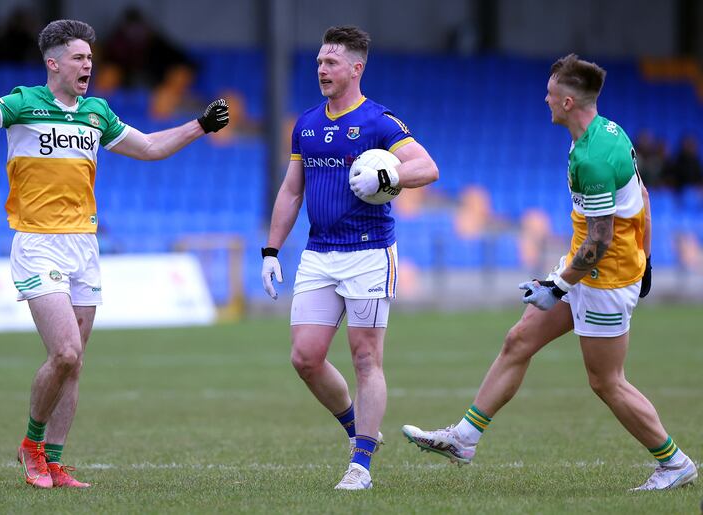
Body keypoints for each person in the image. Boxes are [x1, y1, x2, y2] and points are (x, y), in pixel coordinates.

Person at [0, 19, 229, 489]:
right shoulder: (21, 103)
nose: (88, 65)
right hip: (38, 243)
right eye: (79, 58)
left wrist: (200, 125)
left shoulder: (96, 112)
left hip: (84, 246)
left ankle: (54, 461)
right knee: (65, 352)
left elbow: (152, 147)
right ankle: (32, 446)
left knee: (75, 365)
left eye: (91, 59)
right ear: (52, 63)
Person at [401, 54, 696, 491]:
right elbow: (643, 198)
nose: (545, 98)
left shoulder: (593, 157)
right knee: (519, 340)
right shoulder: (606, 132)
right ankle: (464, 438)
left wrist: (558, 285)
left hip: (604, 279)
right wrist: (646, 260)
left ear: (569, 101)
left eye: (551, 92)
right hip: (593, 269)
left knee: (606, 381)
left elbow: (598, 245)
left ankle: (675, 463)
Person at [261, 26, 438, 490]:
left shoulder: (380, 121)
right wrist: (271, 250)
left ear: (356, 68)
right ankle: (360, 431)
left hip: (369, 252)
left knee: (365, 358)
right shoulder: (306, 124)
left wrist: (389, 174)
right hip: (319, 252)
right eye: (320, 61)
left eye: (332, 62)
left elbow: (427, 167)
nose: (322, 68)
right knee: (305, 357)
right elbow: (291, 189)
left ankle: (361, 464)